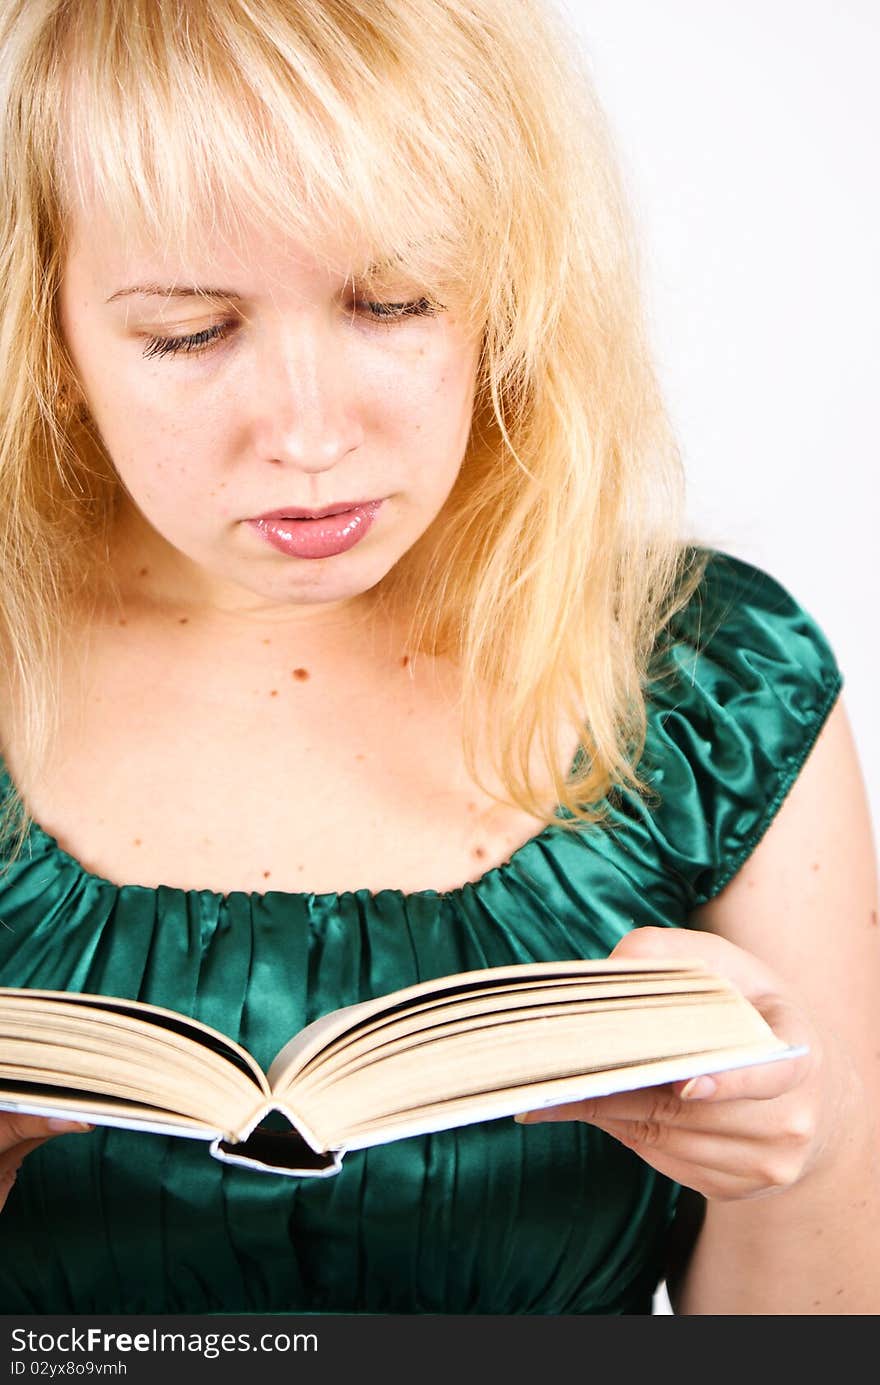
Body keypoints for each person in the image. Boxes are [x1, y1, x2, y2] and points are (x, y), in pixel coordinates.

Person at [0, 0, 876, 1317]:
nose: (307, 433)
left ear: (505, 294)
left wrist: (779, 1151)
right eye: (189, 330)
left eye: (390, 301)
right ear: (53, 339)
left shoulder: (711, 681)